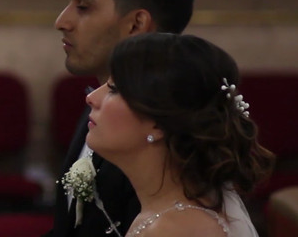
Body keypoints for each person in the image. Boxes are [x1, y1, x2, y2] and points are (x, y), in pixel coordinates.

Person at [46, 0, 195, 237]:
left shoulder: (168, 140)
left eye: (83, 6)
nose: (62, 21)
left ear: (137, 23)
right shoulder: (99, 106)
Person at [84, 33, 275, 236]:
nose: (91, 97)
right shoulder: (167, 215)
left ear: (158, 123)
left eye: (114, 89)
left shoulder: (173, 229)